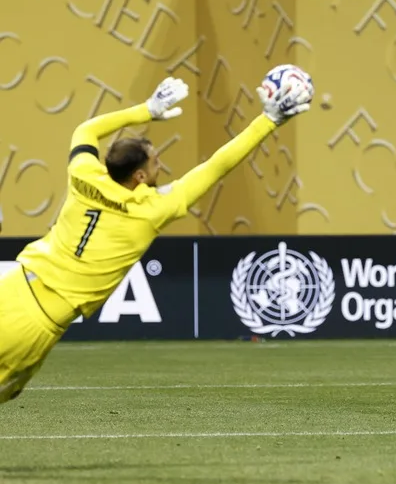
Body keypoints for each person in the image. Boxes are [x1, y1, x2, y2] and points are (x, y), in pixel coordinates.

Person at [0, 72, 311, 404]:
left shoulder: (82, 174)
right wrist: (269, 121)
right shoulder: (152, 211)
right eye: (155, 161)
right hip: (36, 321)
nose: (161, 164)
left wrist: (146, 110)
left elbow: (85, 130)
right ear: (139, 176)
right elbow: (216, 167)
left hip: (14, 286)